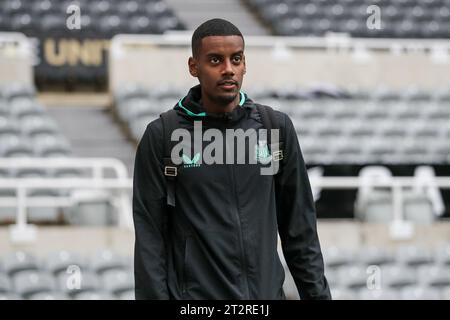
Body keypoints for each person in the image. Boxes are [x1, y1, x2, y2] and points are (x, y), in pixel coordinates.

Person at [133, 18, 331, 300]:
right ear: (194, 67)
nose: (228, 69)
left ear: (245, 64)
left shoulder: (274, 129)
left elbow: (300, 232)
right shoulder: (163, 134)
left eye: (235, 59)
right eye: (215, 60)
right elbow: (149, 243)